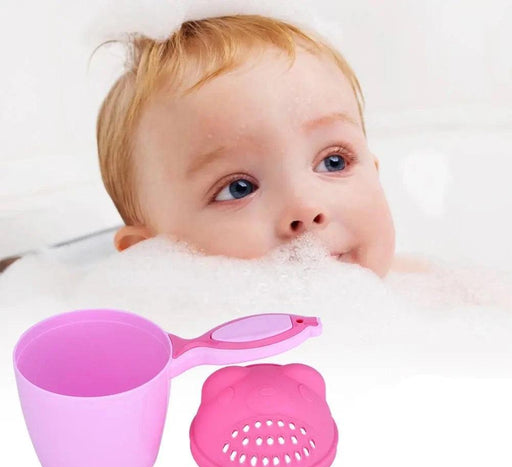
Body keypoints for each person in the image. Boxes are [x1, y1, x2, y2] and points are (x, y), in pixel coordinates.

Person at [95, 14, 430, 278]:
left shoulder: (433, 298)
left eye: (334, 162)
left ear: (374, 171)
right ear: (152, 258)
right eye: (238, 188)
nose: (305, 208)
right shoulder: (175, 344)